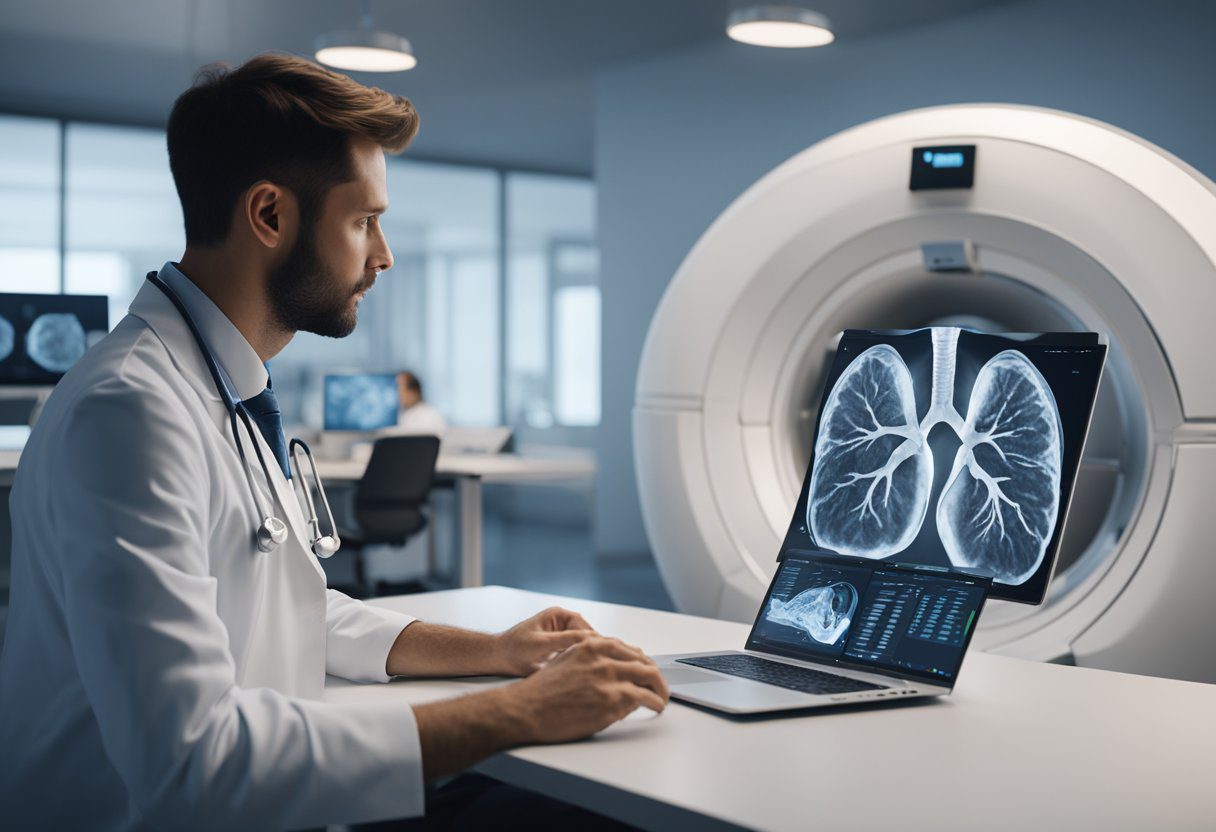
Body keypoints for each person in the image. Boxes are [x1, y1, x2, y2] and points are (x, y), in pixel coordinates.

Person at [0, 54, 667, 829]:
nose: (381, 256)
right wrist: (519, 712)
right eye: (364, 221)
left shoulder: (220, 385)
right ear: (271, 216)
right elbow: (192, 764)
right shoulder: (130, 413)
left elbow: (297, 611)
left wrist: (497, 652)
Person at [395, 369, 447, 435]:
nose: (397, 393)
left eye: (399, 387)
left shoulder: (430, 415)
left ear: (413, 392)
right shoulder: (404, 415)